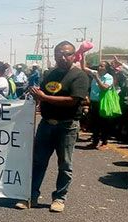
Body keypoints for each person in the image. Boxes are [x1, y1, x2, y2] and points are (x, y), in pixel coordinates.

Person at [15, 41, 89, 212]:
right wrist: (35, 98)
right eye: (59, 54)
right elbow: (43, 94)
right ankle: (31, 196)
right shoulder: (49, 74)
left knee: (65, 164)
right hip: (46, 124)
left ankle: (59, 198)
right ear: (54, 55)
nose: (62, 57)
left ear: (73, 55)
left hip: (67, 126)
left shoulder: (79, 76)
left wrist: (45, 98)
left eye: (67, 54)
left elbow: (74, 100)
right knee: (38, 162)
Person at [84, 61, 115, 150]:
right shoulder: (95, 73)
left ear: (106, 68)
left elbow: (104, 88)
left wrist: (97, 78)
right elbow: (83, 68)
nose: (100, 67)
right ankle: (95, 141)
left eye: (102, 66)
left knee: (104, 123)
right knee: (94, 123)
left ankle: (104, 142)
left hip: (103, 103)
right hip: (94, 102)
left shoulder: (108, 77)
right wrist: (82, 53)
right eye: (99, 65)